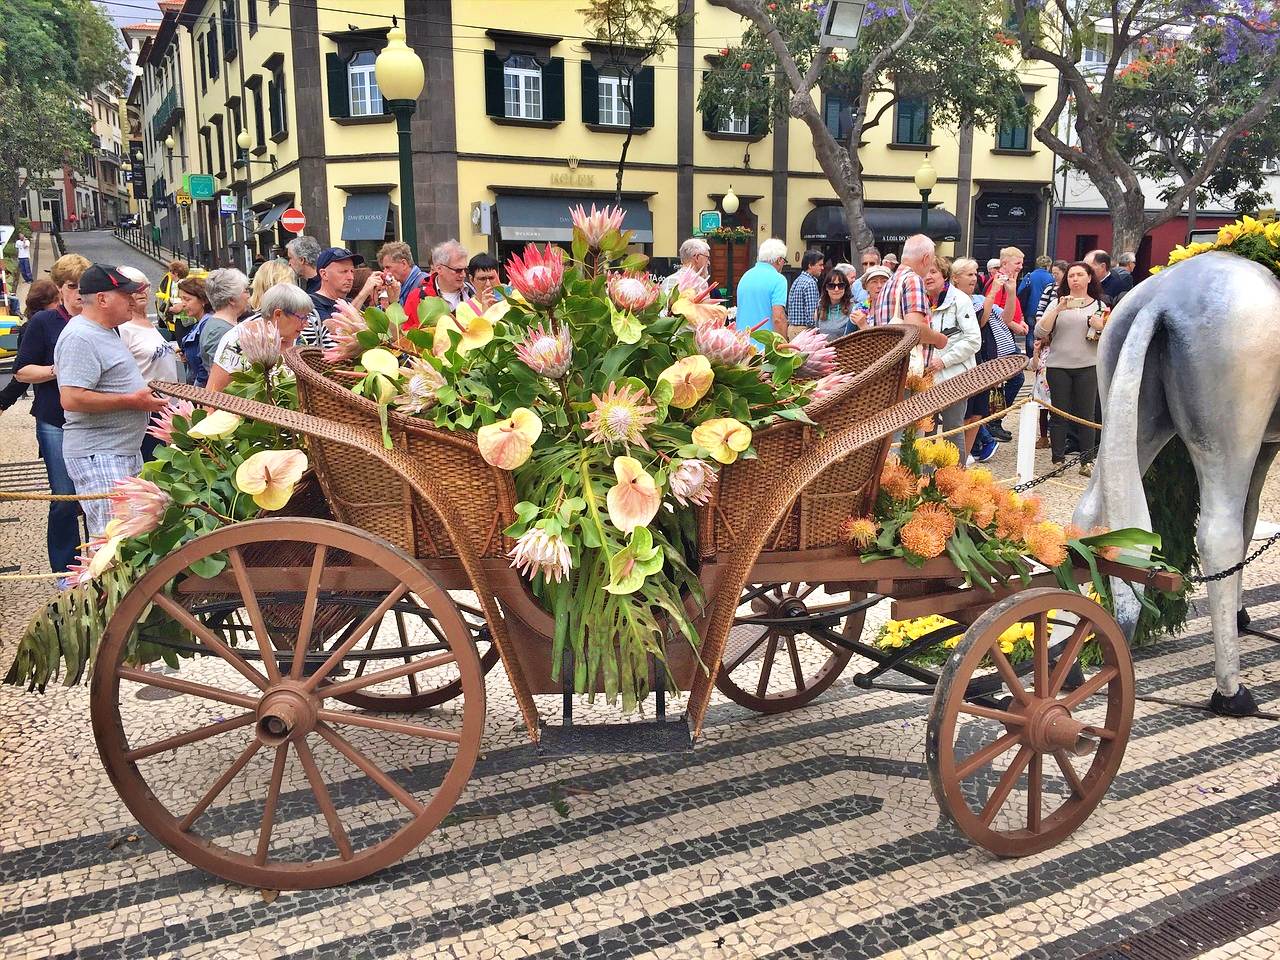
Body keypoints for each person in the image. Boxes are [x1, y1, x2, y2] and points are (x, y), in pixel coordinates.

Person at [55, 264, 168, 538]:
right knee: (113, 539)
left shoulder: (105, 330)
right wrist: (133, 401)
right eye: (125, 294)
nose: (133, 300)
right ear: (102, 299)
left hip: (119, 450)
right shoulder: (80, 336)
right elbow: (71, 398)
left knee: (130, 538)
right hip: (101, 454)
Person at [13, 253, 90, 577]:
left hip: (90, 419)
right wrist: (57, 370)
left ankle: (98, 563)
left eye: (83, 286)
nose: (78, 293)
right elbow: (21, 371)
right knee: (63, 498)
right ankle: (65, 570)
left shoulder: (95, 319)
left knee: (94, 497)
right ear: (60, 288)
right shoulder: (44, 323)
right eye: (73, 286)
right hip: (55, 420)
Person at [1036, 261, 1108, 475]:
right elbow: (1040, 331)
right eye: (1070, 276)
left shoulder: (1099, 306)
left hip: (1088, 365)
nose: (1074, 279)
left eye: (1079, 275)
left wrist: (1100, 326)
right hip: (1059, 365)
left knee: (1086, 414)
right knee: (1059, 413)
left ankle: (1087, 460)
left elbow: (1109, 336)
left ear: (1089, 278)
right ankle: (1058, 459)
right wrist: (1058, 308)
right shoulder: (1057, 303)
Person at [115, 267, 181, 460]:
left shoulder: (148, 324)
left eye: (145, 286)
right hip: (148, 411)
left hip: (169, 407)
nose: (142, 291)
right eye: (135, 287)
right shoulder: (123, 329)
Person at [921, 256, 981, 460]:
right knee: (925, 430)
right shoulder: (919, 301)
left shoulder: (960, 300)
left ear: (944, 274)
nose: (928, 277)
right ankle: (924, 479)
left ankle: (955, 478)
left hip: (954, 376)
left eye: (933, 272)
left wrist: (944, 360)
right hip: (924, 378)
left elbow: (973, 340)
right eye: (925, 272)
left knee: (952, 429)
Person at [207, 283, 316, 392]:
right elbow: (214, 392)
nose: (306, 324)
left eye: (308, 317)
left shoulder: (300, 340)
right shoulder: (238, 340)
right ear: (278, 315)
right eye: (302, 317)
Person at [948, 258, 1002, 461]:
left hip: (983, 360)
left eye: (975, 273)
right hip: (964, 363)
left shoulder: (976, 298)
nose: (974, 278)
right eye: (969, 274)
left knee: (979, 412)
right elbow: (980, 321)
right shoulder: (953, 300)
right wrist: (993, 293)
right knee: (963, 414)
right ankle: (955, 457)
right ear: (956, 278)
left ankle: (966, 455)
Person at [870, 234, 948, 349]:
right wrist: (939, 339)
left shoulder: (889, 282)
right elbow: (915, 329)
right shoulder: (913, 279)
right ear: (926, 259)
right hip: (906, 364)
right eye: (931, 261)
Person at [181, 269, 249, 388]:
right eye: (245, 291)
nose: (248, 296)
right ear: (231, 300)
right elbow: (221, 379)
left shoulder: (220, 325)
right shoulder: (219, 331)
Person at [0, 279, 59, 413]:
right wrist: (3, 401)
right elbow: (23, 372)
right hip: (49, 404)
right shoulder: (34, 328)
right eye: (56, 300)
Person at [404, 240, 474, 320]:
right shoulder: (418, 297)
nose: (463, 275)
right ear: (439, 269)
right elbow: (407, 331)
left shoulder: (472, 292)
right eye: (458, 270)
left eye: (466, 269)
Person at [734, 238, 789, 334]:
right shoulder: (778, 279)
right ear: (779, 260)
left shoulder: (746, 276)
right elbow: (778, 318)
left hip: (742, 341)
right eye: (784, 261)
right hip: (765, 344)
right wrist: (783, 344)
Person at [309, 247, 364, 323]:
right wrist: (364, 293)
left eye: (352, 271)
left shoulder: (352, 302)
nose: (350, 277)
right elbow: (336, 330)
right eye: (344, 271)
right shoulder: (311, 304)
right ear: (324, 274)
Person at [1017, 255, 1056, 353]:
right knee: (1043, 332)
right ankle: (1040, 354)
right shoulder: (1051, 277)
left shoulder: (1029, 276)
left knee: (1030, 332)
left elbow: (1020, 291)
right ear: (1049, 265)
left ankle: (1030, 354)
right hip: (1045, 310)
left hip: (1030, 309)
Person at [785, 249, 825, 336]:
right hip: (803, 331)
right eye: (820, 265)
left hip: (792, 329)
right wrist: (816, 332)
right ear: (810, 265)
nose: (822, 268)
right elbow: (811, 316)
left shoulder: (798, 280)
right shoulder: (810, 283)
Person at [375, 241, 423, 309]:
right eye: (384, 268)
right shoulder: (401, 286)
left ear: (404, 264)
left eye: (388, 267)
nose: (385, 273)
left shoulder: (424, 284)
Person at [815, 268, 856, 339]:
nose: (836, 289)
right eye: (831, 286)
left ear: (845, 288)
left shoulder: (853, 308)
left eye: (841, 286)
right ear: (826, 288)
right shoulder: (821, 307)